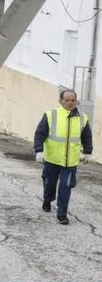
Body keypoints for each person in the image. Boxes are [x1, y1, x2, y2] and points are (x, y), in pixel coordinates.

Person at [33, 89, 93, 225]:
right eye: (67, 100)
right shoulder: (50, 115)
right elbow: (39, 134)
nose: (70, 103)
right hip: (52, 159)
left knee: (66, 187)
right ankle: (47, 200)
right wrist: (39, 150)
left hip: (70, 161)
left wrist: (88, 152)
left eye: (73, 100)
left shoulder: (83, 118)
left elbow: (87, 137)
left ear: (76, 101)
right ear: (61, 101)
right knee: (49, 184)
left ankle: (62, 214)